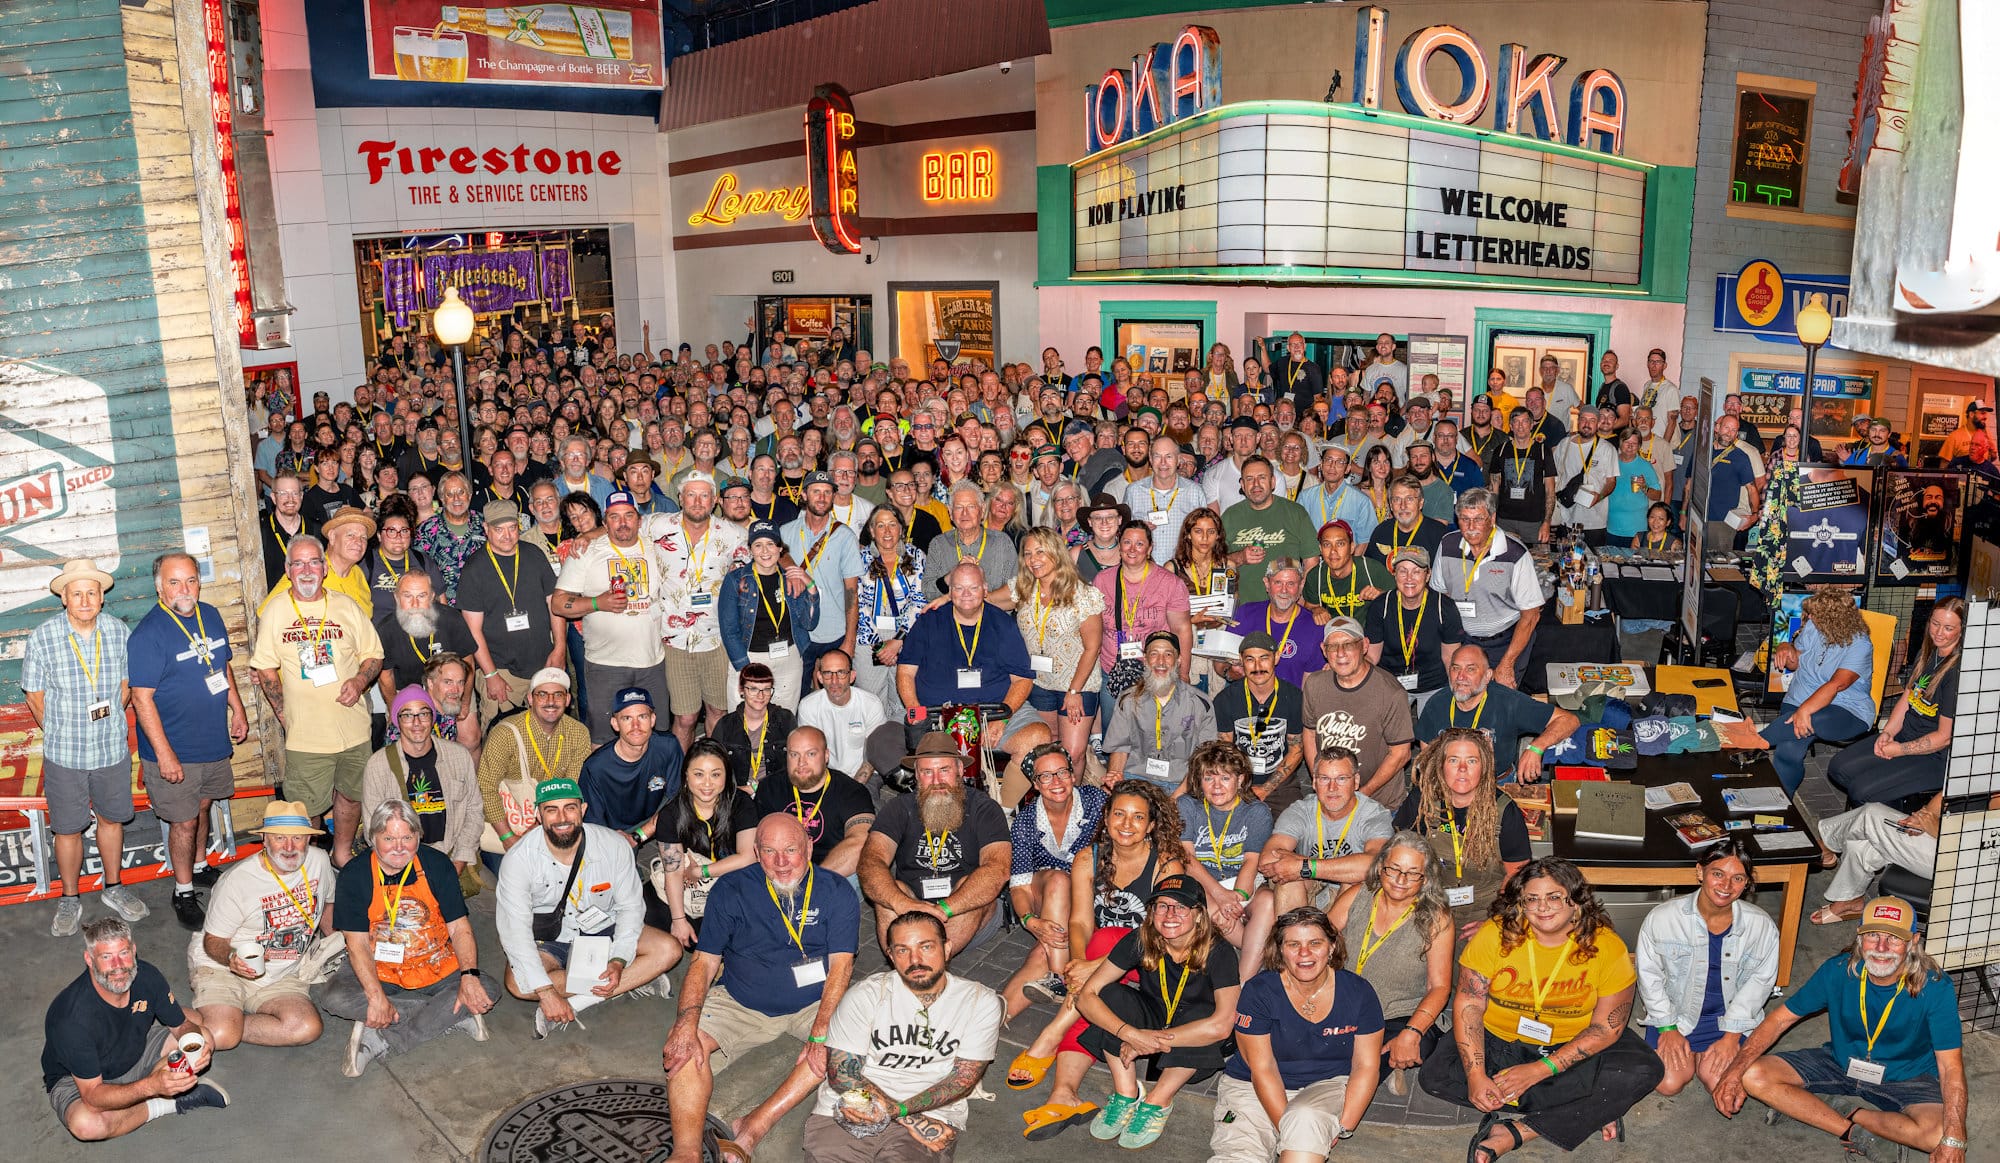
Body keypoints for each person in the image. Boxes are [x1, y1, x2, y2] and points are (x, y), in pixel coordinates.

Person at [1420, 856, 1662, 1160]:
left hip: (1570, 1045)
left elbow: (1606, 1028)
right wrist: (1477, 1075)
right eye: (1531, 899)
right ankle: (1593, 1106)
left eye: (1554, 897)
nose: (1543, 907)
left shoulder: (1607, 947)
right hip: (1500, 1041)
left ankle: (1518, 1131)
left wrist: (1539, 1070)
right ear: (1520, 903)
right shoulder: (1494, 934)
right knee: (1435, 1076)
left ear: (1576, 901)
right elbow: (1469, 1002)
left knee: (1644, 1070)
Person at [660, 813, 861, 1163]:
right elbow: (704, 962)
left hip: (814, 1001)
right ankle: (687, 1153)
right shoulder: (732, 888)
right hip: (740, 999)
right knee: (683, 1053)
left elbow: (842, 965)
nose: (781, 863)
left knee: (840, 1051)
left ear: (809, 848)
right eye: (769, 851)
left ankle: (754, 1126)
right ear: (755, 852)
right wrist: (685, 1021)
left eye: (791, 850)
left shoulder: (836, 891)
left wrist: (820, 1032)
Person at [1714, 899, 1968, 1163]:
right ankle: (1851, 1131)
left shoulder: (1936, 987)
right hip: (1841, 1062)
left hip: (1907, 1076)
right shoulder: (1838, 971)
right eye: (1872, 935)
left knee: (1937, 1134)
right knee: (1753, 1075)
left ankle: (1835, 1108)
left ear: (1913, 941)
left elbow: (1950, 1067)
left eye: (1893, 938)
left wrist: (1954, 1138)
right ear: (1859, 937)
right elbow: (1780, 1019)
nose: (1881, 948)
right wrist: (1734, 1071)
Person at [804, 910, 1004, 1163]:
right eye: (902, 950)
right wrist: (904, 1116)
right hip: (852, 1108)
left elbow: (962, 1079)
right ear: (890, 956)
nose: (915, 960)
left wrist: (898, 1111)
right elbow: (842, 1075)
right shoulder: (866, 995)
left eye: (926, 947)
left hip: (933, 1113)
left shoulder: (979, 1001)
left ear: (947, 947)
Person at [316, 799, 493, 1077]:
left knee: (488, 988)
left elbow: (459, 928)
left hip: (434, 962)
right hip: (379, 966)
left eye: (407, 837)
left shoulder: (437, 865)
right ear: (373, 838)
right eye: (389, 838)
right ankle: (452, 1013)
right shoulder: (355, 875)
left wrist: (469, 977)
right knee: (334, 996)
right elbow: (357, 944)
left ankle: (381, 1037)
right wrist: (375, 996)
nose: (399, 847)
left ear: (418, 837)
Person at [495, 777, 681, 1037]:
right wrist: (546, 992)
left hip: (605, 927)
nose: (562, 817)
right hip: (552, 938)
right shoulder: (518, 860)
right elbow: (514, 932)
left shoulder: (613, 846)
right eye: (551, 809)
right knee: (518, 984)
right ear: (539, 815)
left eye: (570, 807)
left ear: (582, 810)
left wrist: (619, 959)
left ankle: (577, 1002)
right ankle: (636, 977)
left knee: (669, 949)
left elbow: (630, 908)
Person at [23, 559, 149, 936]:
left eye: (91, 592)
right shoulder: (44, 637)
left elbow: (127, 685)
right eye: (76, 593)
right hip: (65, 754)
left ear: (101, 598)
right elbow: (34, 695)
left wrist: (109, 719)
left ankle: (113, 888)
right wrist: (60, 729)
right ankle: (70, 897)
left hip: (111, 748)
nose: (84, 599)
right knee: (67, 829)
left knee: (111, 820)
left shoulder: (118, 632)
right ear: (64, 598)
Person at [1070, 873, 1243, 1148]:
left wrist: (1148, 1040)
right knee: (1110, 994)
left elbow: (1223, 1024)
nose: (1170, 914)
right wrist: (1130, 1034)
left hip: (1196, 1040)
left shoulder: (1218, 951)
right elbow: (1086, 996)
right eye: (1162, 905)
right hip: (1155, 1020)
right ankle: (1125, 1093)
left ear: (1199, 915)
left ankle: (1157, 1101)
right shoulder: (1142, 938)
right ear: (1151, 913)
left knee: (1203, 1019)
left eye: (1181, 907)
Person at [129, 553, 250, 929]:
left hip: (211, 740)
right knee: (182, 822)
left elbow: (221, 664)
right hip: (175, 749)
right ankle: (183, 891)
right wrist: (165, 755)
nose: (185, 590)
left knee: (203, 806)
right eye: (174, 582)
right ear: (158, 587)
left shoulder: (210, 615)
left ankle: (198, 867)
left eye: (191, 580)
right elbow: (141, 698)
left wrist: (238, 708)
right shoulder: (149, 634)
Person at [1208, 906, 1384, 1163]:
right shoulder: (1259, 991)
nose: (1305, 953)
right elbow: (1263, 1068)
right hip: (1252, 1087)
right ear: (1280, 950)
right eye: (1293, 944)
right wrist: (1286, 1128)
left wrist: (1344, 1124)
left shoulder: (1358, 992)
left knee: (1305, 1118)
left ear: (1332, 946)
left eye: (1315, 943)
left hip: (1324, 1086)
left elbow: (1366, 1065)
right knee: (1237, 1157)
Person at [250, 537, 385, 867]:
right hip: (305, 737)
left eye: (313, 562)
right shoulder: (276, 611)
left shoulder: (346, 606)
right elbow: (265, 667)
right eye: (298, 563)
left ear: (324, 569)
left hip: (353, 730)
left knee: (351, 796)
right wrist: (283, 714)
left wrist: (360, 680)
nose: (306, 570)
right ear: (287, 570)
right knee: (305, 807)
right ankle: (312, 865)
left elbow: (374, 655)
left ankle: (341, 853)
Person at [43, 917, 228, 1140]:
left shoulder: (147, 976)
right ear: (89, 959)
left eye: (123, 953)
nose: (118, 966)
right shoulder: (71, 1019)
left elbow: (181, 1026)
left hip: (134, 1052)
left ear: (134, 950)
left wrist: (195, 1049)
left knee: (203, 1037)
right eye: (106, 957)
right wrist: (152, 1087)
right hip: (82, 1081)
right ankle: (167, 1102)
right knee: (87, 1126)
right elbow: (93, 1097)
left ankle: (166, 1087)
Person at [1634, 838, 1781, 1096]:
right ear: (1700, 871)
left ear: (1747, 882)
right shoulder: (1662, 918)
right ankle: (1696, 1055)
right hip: (1677, 1014)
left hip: (1729, 1017)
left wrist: (1731, 1037)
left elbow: (1760, 984)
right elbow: (1649, 976)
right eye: (1717, 874)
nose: (1726, 886)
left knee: (1719, 1084)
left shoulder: (1762, 926)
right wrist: (1667, 1028)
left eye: (1737, 878)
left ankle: (1705, 1058)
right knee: (1668, 1084)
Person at [189, 801, 336, 1051]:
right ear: (265, 840)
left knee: (305, 1027)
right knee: (223, 1037)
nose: (289, 847)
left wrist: (337, 944)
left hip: (282, 972)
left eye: (298, 839)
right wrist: (232, 958)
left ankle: (228, 1021)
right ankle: (204, 1022)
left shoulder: (320, 861)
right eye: (279, 838)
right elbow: (212, 941)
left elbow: (327, 906)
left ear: (309, 839)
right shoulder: (236, 881)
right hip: (224, 965)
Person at [1239, 746, 1396, 973]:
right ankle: (1290, 967)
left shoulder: (1374, 814)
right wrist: (1309, 870)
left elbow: (1374, 865)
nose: (1332, 788)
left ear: (1356, 781)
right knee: (1287, 879)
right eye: (1324, 779)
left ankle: (1334, 966)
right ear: (1314, 782)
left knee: (1355, 882)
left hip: (1346, 897)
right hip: (1310, 893)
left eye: (1341, 778)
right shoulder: (1302, 810)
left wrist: (1303, 865)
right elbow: (1269, 859)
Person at [860, 732, 1012, 953]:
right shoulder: (898, 807)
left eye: (944, 770)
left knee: (975, 888)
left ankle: (928, 961)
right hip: (912, 907)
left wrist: (944, 909)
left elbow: (998, 869)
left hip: (966, 914)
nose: (936, 781)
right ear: (916, 775)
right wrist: (902, 903)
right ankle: (906, 961)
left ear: (960, 770)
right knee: (890, 893)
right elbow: (870, 861)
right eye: (927, 772)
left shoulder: (985, 808)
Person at [1326, 833, 1456, 1087]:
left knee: (1414, 1043)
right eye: (1393, 869)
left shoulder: (1437, 919)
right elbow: (1320, 938)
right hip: (1343, 1004)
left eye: (1412, 873)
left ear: (1426, 878)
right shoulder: (1358, 895)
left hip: (1397, 1012)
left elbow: (1439, 988)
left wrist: (1412, 1032)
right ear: (1381, 866)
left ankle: (1385, 1061)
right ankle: (1385, 1065)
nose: (1400, 880)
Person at [552, 489, 670, 743]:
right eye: (614, 517)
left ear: (640, 520)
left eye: (629, 515)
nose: (623, 522)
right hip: (606, 664)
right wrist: (597, 602)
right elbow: (559, 604)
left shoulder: (656, 546)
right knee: (603, 738)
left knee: (657, 735)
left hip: (652, 662)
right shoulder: (586, 551)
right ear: (605, 523)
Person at [999, 742, 1108, 1012]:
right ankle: (1062, 976)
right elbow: (1020, 887)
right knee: (1059, 880)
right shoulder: (1026, 821)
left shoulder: (1097, 802)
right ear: (1035, 784)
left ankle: (989, 1024)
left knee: (1041, 954)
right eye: (1045, 776)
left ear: (1073, 775)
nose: (1056, 781)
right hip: (1047, 896)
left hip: (1088, 901)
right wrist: (1030, 920)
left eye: (1061, 772)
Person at [1393, 728, 1533, 934]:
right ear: (1441, 765)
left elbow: (1517, 876)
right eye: (1453, 760)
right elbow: (1399, 860)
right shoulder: (1421, 802)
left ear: (1483, 767)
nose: (1462, 769)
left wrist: (1494, 922)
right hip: (1431, 904)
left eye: (1472, 761)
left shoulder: (1505, 811)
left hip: (1485, 909)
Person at [1828, 597, 1961, 806]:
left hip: (1933, 756)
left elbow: (1944, 737)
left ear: (1962, 630)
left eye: (1948, 628)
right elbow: (1907, 698)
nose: (1938, 632)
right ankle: (1888, 803)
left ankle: (1895, 820)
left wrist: (1899, 750)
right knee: (1838, 767)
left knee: (1860, 790)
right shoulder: (1928, 653)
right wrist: (1888, 733)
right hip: (1904, 736)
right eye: (1935, 624)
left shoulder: (1956, 672)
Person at [896, 561, 1037, 748]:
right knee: (882, 738)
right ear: (950, 591)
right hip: (934, 715)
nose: (966, 594)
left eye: (973, 587)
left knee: (1037, 736)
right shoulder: (928, 621)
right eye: (959, 588)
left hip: (993, 714)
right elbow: (905, 672)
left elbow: (1022, 680)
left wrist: (1002, 720)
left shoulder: (1003, 624)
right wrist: (916, 712)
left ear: (985, 589)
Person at [1760, 588, 1878, 795]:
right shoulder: (1814, 626)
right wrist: (1786, 648)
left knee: (1811, 720)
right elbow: (1797, 662)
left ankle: (1753, 740)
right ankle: (1778, 804)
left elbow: (1836, 685)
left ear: (1836, 620)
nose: (1811, 618)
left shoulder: (1860, 645)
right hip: (1800, 698)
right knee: (1789, 750)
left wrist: (1805, 710)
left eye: (1817, 616)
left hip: (1845, 708)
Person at [457, 500, 563, 719]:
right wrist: (490, 674)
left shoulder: (534, 554)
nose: (507, 535)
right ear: (486, 529)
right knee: (504, 738)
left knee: (547, 732)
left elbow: (555, 604)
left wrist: (560, 647)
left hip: (543, 663)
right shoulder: (475, 568)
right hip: (501, 670)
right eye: (499, 529)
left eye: (512, 528)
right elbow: (472, 630)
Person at [1430, 490, 1545, 688]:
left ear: (1492, 519)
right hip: (1463, 639)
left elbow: (1531, 615)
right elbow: (1439, 595)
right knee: (1465, 698)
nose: (1471, 527)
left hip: (1506, 641)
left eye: (1478, 519)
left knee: (1501, 702)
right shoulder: (1447, 545)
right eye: (1464, 519)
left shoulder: (1514, 553)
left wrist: (1507, 664)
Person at [362, 687, 483, 877]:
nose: (416, 722)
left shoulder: (459, 756)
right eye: (407, 715)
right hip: (402, 863)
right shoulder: (378, 765)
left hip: (452, 856)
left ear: (432, 717)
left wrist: (459, 860)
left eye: (423, 714)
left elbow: (474, 811)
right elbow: (373, 828)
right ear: (397, 721)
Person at [1300, 617, 1416, 811]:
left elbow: (1401, 754)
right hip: (1328, 801)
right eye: (1333, 646)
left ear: (1364, 646)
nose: (1340, 653)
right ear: (1323, 650)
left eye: (1348, 645)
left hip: (1378, 803)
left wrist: (1360, 795)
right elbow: (1310, 734)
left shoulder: (1391, 693)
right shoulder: (1315, 684)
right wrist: (1321, 781)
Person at [1416, 645, 1576, 784]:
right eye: (1455, 668)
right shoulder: (1437, 703)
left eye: (1470, 669)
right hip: (1450, 782)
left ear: (1487, 676)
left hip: (1496, 783)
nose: (1460, 677)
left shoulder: (1509, 702)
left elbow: (1568, 720)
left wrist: (1536, 747)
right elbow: (1426, 749)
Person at [477, 667, 594, 856]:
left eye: (558, 695)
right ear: (530, 699)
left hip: (554, 821)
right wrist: (509, 839)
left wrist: (539, 828)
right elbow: (486, 786)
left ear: (568, 700)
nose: (550, 701)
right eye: (542, 694)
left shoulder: (579, 733)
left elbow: (571, 788)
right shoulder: (505, 733)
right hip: (506, 827)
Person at [655, 738, 760, 946]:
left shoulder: (740, 803)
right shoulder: (671, 814)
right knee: (660, 921)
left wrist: (701, 871)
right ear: (686, 776)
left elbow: (748, 857)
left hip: (733, 881)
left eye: (715, 774)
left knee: (736, 931)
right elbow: (673, 871)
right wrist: (678, 920)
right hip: (694, 889)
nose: (707, 783)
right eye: (698, 774)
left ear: (726, 776)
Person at [1176, 739, 1272, 949]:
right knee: (1210, 907)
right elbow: (1187, 858)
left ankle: (1246, 979)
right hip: (1200, 880)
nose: (1216, 786)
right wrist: (1219, 896)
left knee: (1268, 902)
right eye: (1208, 778)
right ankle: (1262, 963)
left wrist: (1235, 900)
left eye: (1225, 778)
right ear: (1198, 781)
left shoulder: (1256, 811)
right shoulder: (1187, 806)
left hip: (1242, 881)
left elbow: (1251, 861)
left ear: (1240, 780)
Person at [755, 726, 878, 877]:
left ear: (826, 756)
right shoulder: (770, 787)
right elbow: (756, 843)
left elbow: (861, 841)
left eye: (811, 754)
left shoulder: (851, 791)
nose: (801, 763)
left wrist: (815, 881)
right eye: (794, 755)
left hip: (832, 872)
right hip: (781, 869)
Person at [1101, 630, 1213, 790]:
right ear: (1145, 660)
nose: (1161, 661)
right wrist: (1114, 780)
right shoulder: (1128, 699)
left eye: (1168, 654)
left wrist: (1174, 800)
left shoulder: (1200, 703)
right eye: (1154, 654)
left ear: (1179, 660)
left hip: (1182, 783)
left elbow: (1205, 760)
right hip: (1136, 779)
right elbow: (1120, 748)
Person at [783, 471, 866, 676]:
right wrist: (791, 568)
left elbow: (851, 593)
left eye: (827, 492)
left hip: (835, 631)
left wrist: (849, 641)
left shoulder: (845, 536)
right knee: (798, 697)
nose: (821, 498)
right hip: (798, 631)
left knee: (835, 696)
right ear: (804, 495)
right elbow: (776, 551)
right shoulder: (786, 531)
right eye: (816, 491)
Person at [576, 686, 685, 840]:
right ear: (615, 723)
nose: (636, 726)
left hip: (657, 818)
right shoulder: (595, 768)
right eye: (627, 718)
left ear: (653, 719)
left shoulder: (668, 746)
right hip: (615, 832)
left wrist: (640, 834)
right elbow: (593, 826)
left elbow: (678, 797)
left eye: (642, 717)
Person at [1364, 546, 1465, 701]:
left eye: (1416, 571)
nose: (1409, 578)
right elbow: (1371, 656)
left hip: (1434, 685)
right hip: (1391, 683)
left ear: (1428, 575)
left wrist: (1454, 697)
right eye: (1403, 571)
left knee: (1435, 723)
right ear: (1394, 574)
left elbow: (1449, 658)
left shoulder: (1444, 607)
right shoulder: (1380, 606)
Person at [856, 506, 928, 721]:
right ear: (871, 530)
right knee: (871, 702)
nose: (887, 531)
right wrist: (879, 646)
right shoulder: (860, 558)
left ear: (901, 528)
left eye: (892, 524)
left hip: (907, 638)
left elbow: (920, 600)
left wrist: (898, 641)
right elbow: (856, 604)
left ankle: (898, 748)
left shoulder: (916, 556)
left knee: (902, 701)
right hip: (869, 641)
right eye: (880, 525)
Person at [1213, 631, 1305, 797]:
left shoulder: (1294, 697)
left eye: (1264, 658)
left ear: (1276, 657)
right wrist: (1242, 787)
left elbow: (1296, 749)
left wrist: (1265, 789)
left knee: (1291, 822)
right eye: (1250, 659)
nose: (1257, 667)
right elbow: (1226, 749)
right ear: (1241, 661)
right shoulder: (1224, 700)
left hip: (1281, 782)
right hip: (1237, 782)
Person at [1223, 457, 1320, 603]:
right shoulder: (1230, 515)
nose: (1256, 484)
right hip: (1243, 607)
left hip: (1287, 607)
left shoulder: (1295, 512)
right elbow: (1213, 562)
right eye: (1249, 479)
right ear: (1242, 485)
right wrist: (1239, 558)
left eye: (1262, 477)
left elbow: (1311, 561)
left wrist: (1302, 594)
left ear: (1273, 482)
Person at [1227, 556, 1325, 691]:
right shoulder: (1245, 614)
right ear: (1267, 584)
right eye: (1278, 583)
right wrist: (1231, 673)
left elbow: (1309, 689)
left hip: (1290, 708)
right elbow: (1221, 666)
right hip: (1246, 705)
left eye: (1291, 583)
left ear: (1301, 586)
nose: (1284, 590)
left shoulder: (1315, 627)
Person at [798, 649, 888, 785]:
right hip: (827, 774)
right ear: (820, 677)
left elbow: (873, 757)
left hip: (866, 775)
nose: (834, 681)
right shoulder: (808, 706)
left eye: (841, 673)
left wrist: (852, 788)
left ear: (852, 676)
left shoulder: (871, 704)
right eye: (828, 673)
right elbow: (811, 755)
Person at [1124, 433, 1208, 564]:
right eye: (1158, 456)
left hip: (1182, 571)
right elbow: (1123, 533)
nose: (1163, 463)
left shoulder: (1195, 492)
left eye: (1169, 456)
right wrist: (1137, 528)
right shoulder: (1133, 491)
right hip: (1143, 570)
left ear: (1178, 460)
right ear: (1150, 459)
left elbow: (1204, 536)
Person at [716, 663, 797, 793]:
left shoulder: (785, 720)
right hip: (738, 793)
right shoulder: (726, 725)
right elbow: (715, 769)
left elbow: (797, 764)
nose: (761, 696)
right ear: (741, 690)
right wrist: (738, 791)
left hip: (776, 791)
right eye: (753, 689)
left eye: (766, 689)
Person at [1485, 408, 1557, 546]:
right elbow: (1494, 489)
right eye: (1516, 422)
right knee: (1503, 560)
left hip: (1533, 522)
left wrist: (1547, 522)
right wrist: (1491, 517)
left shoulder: (1543, 451)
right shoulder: (1500, 450)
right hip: (1504, 520)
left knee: (1534, 563)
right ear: (1511, 426)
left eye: (1525, 421)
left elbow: (1550, 491)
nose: (1520, 426)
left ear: (1531, 425)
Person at [1302, 518, 1388, 624]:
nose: (1333, 551)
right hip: (1333, 635)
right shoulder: (1316, 575)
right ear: (1320, 549)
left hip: (1368, 635)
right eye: (1327, 545)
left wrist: (1382, 595)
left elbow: (1400, 599)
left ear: (1352, 547)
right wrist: (1316, 610)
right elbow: (1309, 606)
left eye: (1340, 544)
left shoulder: (1371, 569)